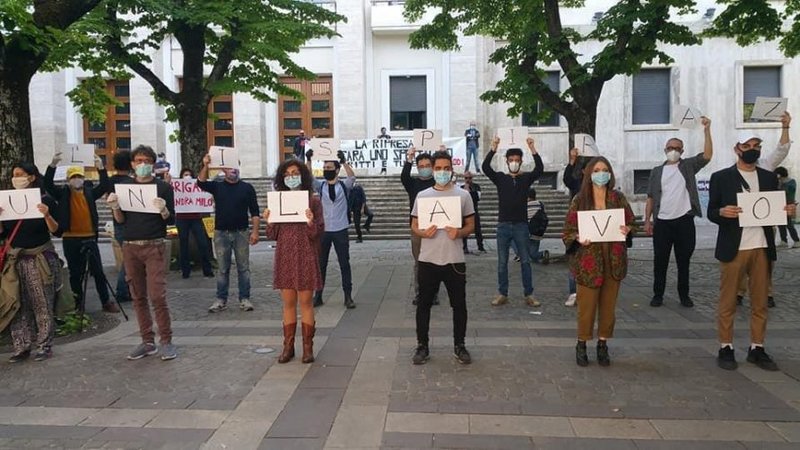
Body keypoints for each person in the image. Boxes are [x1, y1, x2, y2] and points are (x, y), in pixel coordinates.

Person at [708, 131, 796, 372]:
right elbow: (712, 211)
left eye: (756, 145)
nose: (752, 149)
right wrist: (722, 212)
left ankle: (757, 347)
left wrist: (787, 211)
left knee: (760, 301)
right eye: (747, 145)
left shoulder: (768, 177)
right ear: (737, 149)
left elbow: (776, 209)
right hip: (734, 247)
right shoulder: (721, 177)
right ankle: (725, 346)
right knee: (728, 300)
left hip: (762, 246)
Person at [562, 157, 635, 367]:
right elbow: (568, 230)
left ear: (610, 173)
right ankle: (582, 343)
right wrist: (577, 238)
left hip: (614, 260)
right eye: (596, 170)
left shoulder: (618, 198)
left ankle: (603, 343)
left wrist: (628, 229)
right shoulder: (580, 199)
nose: (601, 174)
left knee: (608, 307)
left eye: (604, 170)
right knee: (586, 307)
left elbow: (631, 221)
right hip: (588, 262)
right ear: (589, 174)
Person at [106, 145, 177, 361]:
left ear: (153, 164)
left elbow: (171, 220)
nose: (143, 164)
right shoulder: (124, 187)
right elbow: (121, 220)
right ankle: (147, 341)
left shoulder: (163, 188)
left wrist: (163, 209)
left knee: (157, 295)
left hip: (154, 244)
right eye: (138, 161)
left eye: (147, 161)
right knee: (137, 296)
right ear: (132, 164)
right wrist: (115, 207)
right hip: (130, 245)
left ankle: (166, 341)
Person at [410, 151, 475, 365]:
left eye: (446, 168)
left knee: (459, 305)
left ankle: (460, 345)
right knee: (424, 304)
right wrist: (422, 232)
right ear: (433, 170)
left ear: (452, 170)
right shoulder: (423, 196)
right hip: (428, 259)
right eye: (438, 168)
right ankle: (422, 345)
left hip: (454, 259)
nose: (442, 172)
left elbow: (471, 225)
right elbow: (414, 224)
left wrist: (460, 232)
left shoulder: (463, 195)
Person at [644, 116, 713, 308]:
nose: (673, 150)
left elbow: (707, 155)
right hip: (662, 222)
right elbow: (650, 197)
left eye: (677, 148)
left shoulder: (688, 166)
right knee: (660, 261)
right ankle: (658, 294)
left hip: (684, 221)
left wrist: (707, 130)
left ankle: (684, 295)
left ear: (682, 151)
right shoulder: (656, 171)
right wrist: (647, 220)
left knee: (684, 261)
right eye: (670, 148)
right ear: (665, 150)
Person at [263, 159, 324, 364]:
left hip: (305, 255)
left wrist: (310, 221)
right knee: (288, 303)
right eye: (287, 174)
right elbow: (272, 235)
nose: (291, 177)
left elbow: (318, 233)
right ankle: (288, 347)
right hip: (285, 256)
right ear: (282, 178)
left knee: (306, 303)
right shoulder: (277, 200)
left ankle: (308, 348)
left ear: (303, 176)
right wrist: (269, 221)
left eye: (295, 173)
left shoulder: (313, 201)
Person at [1, 162, 62, 362]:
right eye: (14, 175)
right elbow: (4, 233)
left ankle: (44, 344)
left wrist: (46, 215)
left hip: (39, 258)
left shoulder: (45, 200)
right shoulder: (8, 202)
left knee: (42, 302)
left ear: (32, 177)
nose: (16, 178)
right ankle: (21, 346)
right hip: (15, 260)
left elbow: (57, 231)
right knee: (17, 303)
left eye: (21, 174)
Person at [44, 154, 118, 313]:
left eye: (79, 176)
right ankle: (78, 304)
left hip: (89, 237)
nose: (76, 179)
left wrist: (101, 168)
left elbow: (104, 185)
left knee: (98, 272)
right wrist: (52, 166)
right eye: (73, 177)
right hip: (70, 239)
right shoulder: (62, 193)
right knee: (75, 273)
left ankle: (106, 301)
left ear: (84, 178)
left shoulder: (90, 192)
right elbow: (48, 185)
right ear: (68, 179)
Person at [482, 135, 543, 307]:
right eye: (511, 160)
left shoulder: (525, 179)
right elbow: (485, 167)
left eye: (517, 160)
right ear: (507, 161)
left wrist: (532, 148)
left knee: (525, 261)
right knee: (502, 262)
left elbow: (539, 168)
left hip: (521, 225)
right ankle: (503, 293)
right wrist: (493, 148)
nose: (514, 162)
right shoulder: (501, 178)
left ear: (521, 161)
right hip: (503, 225)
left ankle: (529, 294)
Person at [198, 157, 260, 313]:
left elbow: (255, 211)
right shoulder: (217, 186)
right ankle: (221, 299)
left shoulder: (247, 188)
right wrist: (206, 165)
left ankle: (244, 298)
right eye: (230, 167)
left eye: (235, 166)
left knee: (243, 268)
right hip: (221, 233)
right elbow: (201, 182)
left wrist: (255, 231)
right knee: (222, 269)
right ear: (223, 170)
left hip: (241, 232)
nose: (233, 170)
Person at [306, 149, 357, 309]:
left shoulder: (344, 185)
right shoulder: (321, 186)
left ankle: (348, 296)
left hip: (341, 229)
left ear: (336, 170)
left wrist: (344, 162)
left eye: (329, 168)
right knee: (321, 264)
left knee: (344, 264)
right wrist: (309, 160)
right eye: (324, 168)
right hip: (324, 230)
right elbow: (308, 178)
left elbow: (352, 177)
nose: (326, 170)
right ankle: (318, 295)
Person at [401, 147, 439, 306]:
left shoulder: (438, 182)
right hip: (417, 228)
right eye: (421, 166)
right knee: (419, 263)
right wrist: (409, 158)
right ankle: (420, 293)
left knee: (435, 262)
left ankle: (434, 294)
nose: (424, 168)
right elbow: (404, 177)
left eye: (427, 165)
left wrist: (442, 155)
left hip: (436, 228)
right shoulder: (413, 184)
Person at [174, 168, 214, 279]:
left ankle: (207, 269)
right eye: (185, 175)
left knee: (202, 243)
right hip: (181, 219)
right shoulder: (177, 188)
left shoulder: (197, 186)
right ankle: (185, 271)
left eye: (189, 174)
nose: (187, 176)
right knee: (183, 244)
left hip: (196, 218)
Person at [109, 150, 133, 303]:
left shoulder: (110, 181)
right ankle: (122, 290)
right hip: (128, 222)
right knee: (129, 258)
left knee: (128, 257)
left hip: (117, 222)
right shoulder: (130, 182)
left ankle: (126, 289)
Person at [562, 147, 583, 307]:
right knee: (574, 261)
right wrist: (572, 161)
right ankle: (573, 292)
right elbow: (567, 179)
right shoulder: (577, 184)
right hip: (578, 226)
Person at [460, 171, 485, 254]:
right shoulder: (461, 187)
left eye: (469, 178)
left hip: (474, 210)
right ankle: (464, 247)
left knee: (477, 229)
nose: (468, 180)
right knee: (464, 229)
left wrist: (468, 192)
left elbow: (477, 197)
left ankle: (480, 247)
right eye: (466, 178)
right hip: (464, 212)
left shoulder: (476, 186)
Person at [775, 166, 799, 248]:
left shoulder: (791, 182)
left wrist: (780, 185)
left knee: (789, 224)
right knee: (781, 224)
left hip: (788, 206)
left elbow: (787, 192)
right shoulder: (780, 182)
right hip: (780, 205)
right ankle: (783, 240)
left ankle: (796, 240)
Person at [525, 187, 550, 264]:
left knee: (532, 254)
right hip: (538, 232)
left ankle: (542, 254)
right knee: (533, 250)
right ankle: (537, 259)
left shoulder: (525, 205)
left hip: (530, 232)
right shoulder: (540, 204)